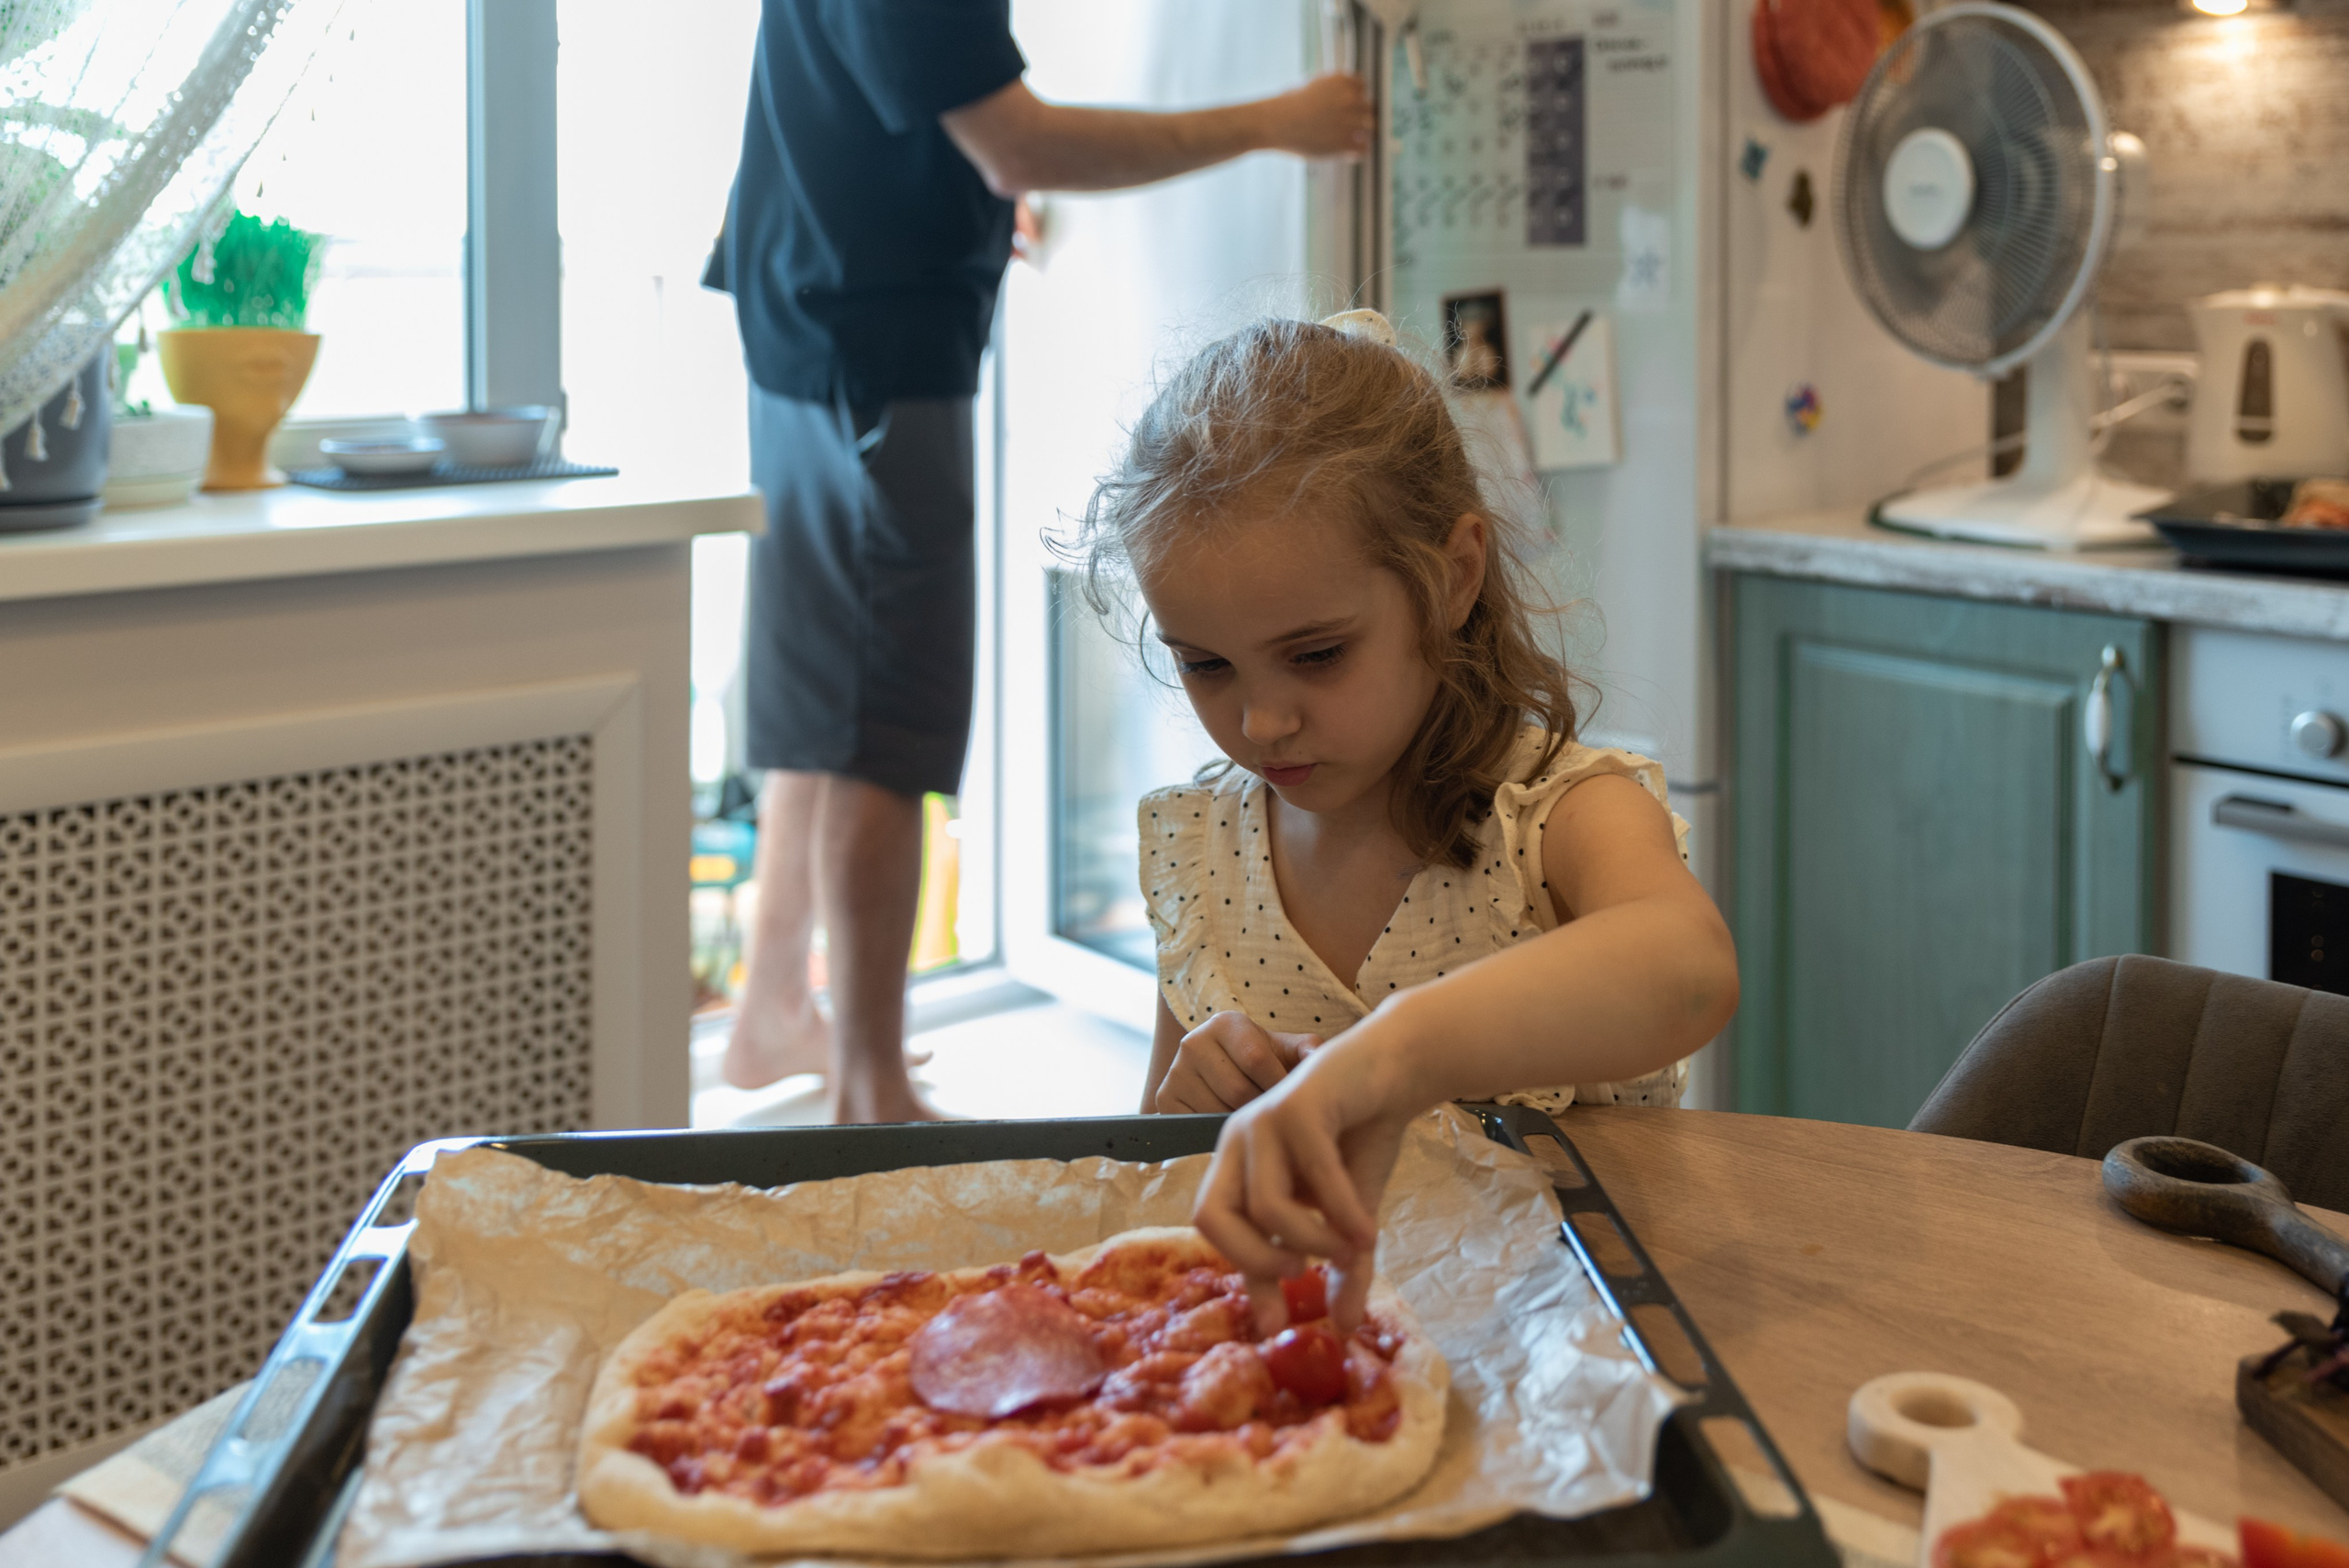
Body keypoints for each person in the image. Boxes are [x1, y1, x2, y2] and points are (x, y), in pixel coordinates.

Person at [705, 2, 1374, 1121]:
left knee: (825, 675)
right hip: (880, 341)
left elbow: (917, 111)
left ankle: (775, 1008)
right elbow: (1016, 139)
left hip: (802, 307)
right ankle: (872, 1090)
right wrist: (1281, 120)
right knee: (884, 713)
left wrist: (959, 195)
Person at [1074, 309, 1740, 1329]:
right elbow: (1169, 1177)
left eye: (1317, 653)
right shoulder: (1201, 851)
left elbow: (1688, 967)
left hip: (1579, 1344)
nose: (1261, 719)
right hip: (1322, 1349)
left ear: (1453, 576)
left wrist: (1395, 1054)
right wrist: (1185, 1111)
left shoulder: (1556, 814)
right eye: (1205, 664)